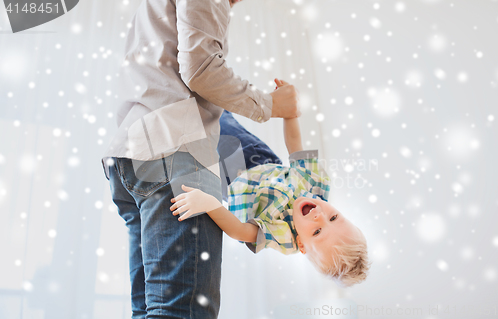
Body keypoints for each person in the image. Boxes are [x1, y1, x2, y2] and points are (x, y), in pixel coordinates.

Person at [102, 0, 300, 318]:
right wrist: (270, 105)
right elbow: (202, 69)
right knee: (182, 312)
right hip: (174, 155)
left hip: (132, 156)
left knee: (152, 310)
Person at [171, 80, 371, 288]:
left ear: (301, 244)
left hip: (230, 177)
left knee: (195, 134)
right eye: (333, 217)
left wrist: (208, 204)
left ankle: (172, 104)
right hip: (259, 157)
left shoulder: (283, 235)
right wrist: (289, 113)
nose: (319, 215)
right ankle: (197, 85)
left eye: (317, 231)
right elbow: (295, 146)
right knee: (221, 119)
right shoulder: (315, 185)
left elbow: (240, 230)